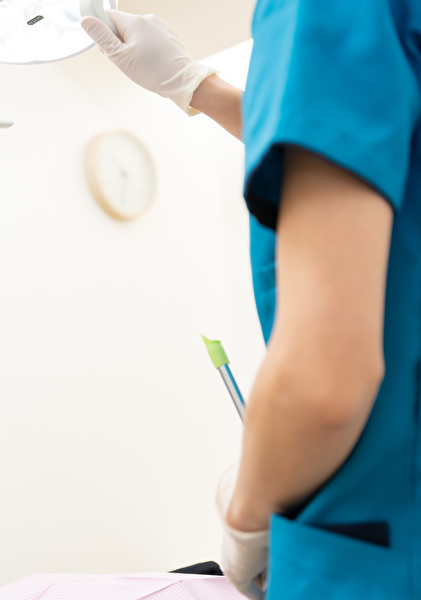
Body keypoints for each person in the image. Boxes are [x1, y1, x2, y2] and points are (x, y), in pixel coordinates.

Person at [83, 4, 420, 599]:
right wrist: (194, 85)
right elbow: (371, 135)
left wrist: (247, 515)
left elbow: (325, 379)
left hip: (370, 556)